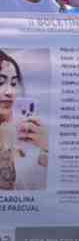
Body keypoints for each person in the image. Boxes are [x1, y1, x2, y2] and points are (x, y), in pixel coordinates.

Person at [0, 49, 49, 190]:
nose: (9, 92)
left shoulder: (20, 134)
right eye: (0, 82)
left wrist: (45, 150)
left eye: (13, 83)